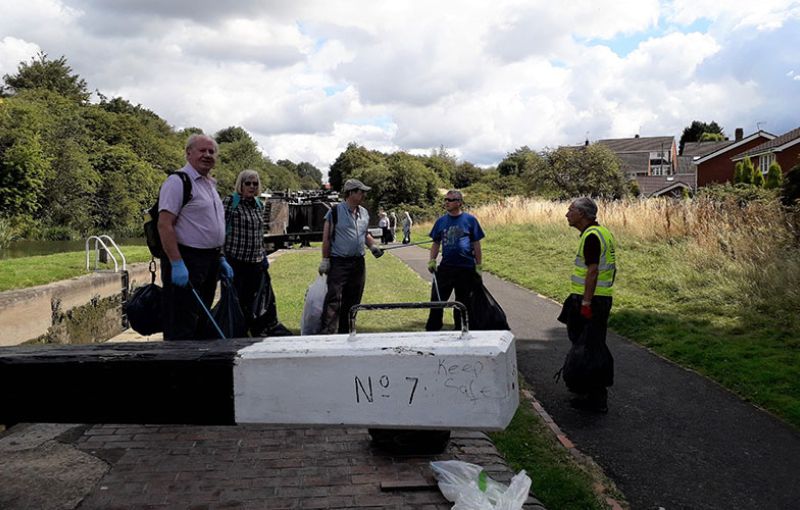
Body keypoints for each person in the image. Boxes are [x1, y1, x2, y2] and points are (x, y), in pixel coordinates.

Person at [157, 134, 233, 340]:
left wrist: (220, 258)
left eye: (211, 152)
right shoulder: (178, 182)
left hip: (210, 261)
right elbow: (164, 224)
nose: (207, 155)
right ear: (188, 153)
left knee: (201, 319)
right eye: (202, 151)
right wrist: (176, 263)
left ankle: (198, 366)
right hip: (187, 260)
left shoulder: (209, 184)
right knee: (181, 322)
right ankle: (178, 368)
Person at [561, 197, 617, 413]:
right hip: (599, 298)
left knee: (590, 349)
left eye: (570, 210)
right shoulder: (602, 233)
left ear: (582, 214)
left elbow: (592, 271)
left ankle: (595, 398)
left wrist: (585, 302)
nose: (567, 214)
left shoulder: (592, 236)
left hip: (591, 300)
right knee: (589, 346)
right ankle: (587, 392)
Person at [318, 179, 384, 334]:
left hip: (358, 264)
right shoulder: (334, 212)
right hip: (338, 262)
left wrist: (373, 246)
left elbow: (365, 234)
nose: (364, 194)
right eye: (361, 191)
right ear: (351, 193)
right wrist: (325, 260)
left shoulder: (365, 213)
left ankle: (347, 331)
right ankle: (328, 334)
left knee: (354, 300)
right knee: (334, 300)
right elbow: (326, 238)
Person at [222, 169, 278, 336]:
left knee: (255, 304)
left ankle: (255, 335)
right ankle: (235, 335)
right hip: (236, 263)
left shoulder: (259, 204)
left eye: (255, 183)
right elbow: (220, 230)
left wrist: (263, 255)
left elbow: (259, 233)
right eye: (248, 183)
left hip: (256, 264)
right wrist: (221, 258)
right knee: (235, 305)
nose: (252, 187)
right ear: (241, 184)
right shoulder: (231, 202)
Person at [425, 189, 485, 331]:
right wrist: (432, 260)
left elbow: (476, 243)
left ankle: (461, 330)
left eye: (450, 200)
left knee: (463, 303)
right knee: (437, 300)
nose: (446, 202)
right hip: (446, 267)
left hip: (466, 268)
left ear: (459, 202)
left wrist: (479, 265)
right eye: (445, 200)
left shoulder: (470, 220)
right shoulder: (441, 221)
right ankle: (433, 330)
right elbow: (436, 242)